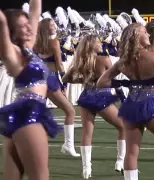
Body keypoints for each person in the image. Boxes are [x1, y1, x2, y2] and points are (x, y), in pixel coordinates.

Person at [97, 23, 154, 180]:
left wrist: (126, 83)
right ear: (136, 37)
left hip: (131, 106)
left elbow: (101, 83)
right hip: (152, 107)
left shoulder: (123, 62)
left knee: (131, 152)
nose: (148, 35)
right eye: (145, 32)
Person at [0, 1, 62, 179]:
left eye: (28, 24)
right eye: (22, 26)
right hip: (29, 114)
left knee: (12, 177)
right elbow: (2, 23)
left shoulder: (28, 49)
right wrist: (3, 24)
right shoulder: (11, 53)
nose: (29, 28)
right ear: (12, 31)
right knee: (41, 176)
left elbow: (35, 9)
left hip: (23, 112)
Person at [62, 34, 126, 179]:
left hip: (86, 97)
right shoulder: (104, 60)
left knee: (87, 133)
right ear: (91, 45)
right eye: (98, 42)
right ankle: (120, 162)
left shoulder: (81, 61)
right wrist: (123, 99)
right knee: (123, 126)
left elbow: (66, 78)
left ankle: (86, 169)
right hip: (101, 97)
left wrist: (83, 80)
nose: (101, 44)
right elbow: (114, 81)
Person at [34, 18, 79, 156]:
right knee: (70, 111)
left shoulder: (37, 44)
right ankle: (68, 145)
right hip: (51, 79)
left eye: (54, 24)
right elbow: (59, 66)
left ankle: (35, 145)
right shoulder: (54, 42)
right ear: (46, 28)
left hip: (38, 80)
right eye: (51, 25)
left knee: (40, 113)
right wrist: (64, 83)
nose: (54, 26)